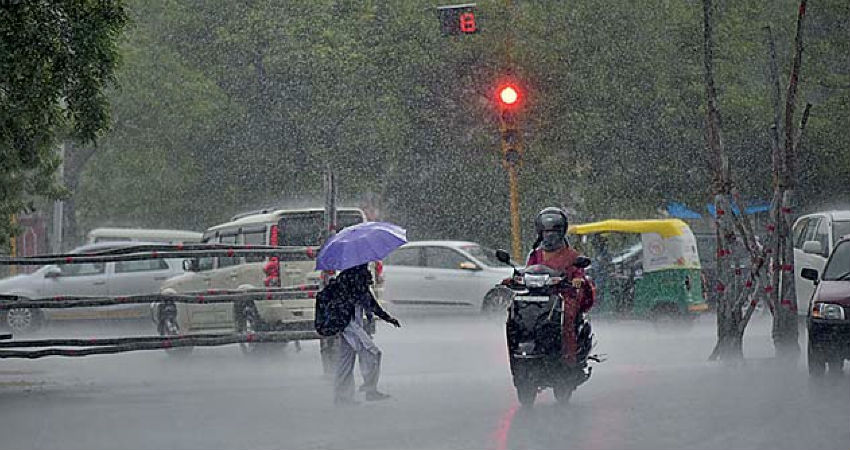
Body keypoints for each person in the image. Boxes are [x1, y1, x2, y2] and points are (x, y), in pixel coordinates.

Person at [525, 207, 594, 366]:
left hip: (563, 295)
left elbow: (579, 272)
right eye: (546, 232)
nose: (549, 236)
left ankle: (569, 359)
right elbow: (528, 271)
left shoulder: (572, 255)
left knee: (567, 316)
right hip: (538, 296)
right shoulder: (535, 254)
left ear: (561, 233)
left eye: (554, 232)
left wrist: (577, 279)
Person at [333, 263, 401, 405]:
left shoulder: (347, 276)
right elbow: (368, 300)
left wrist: (386, 318)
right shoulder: (353, 276)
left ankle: (342, 397)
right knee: (373, 353)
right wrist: (387, 318)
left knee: (346, 361)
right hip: (349, 324)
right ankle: (369, 389)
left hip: (346, 323)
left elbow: (368, 302)